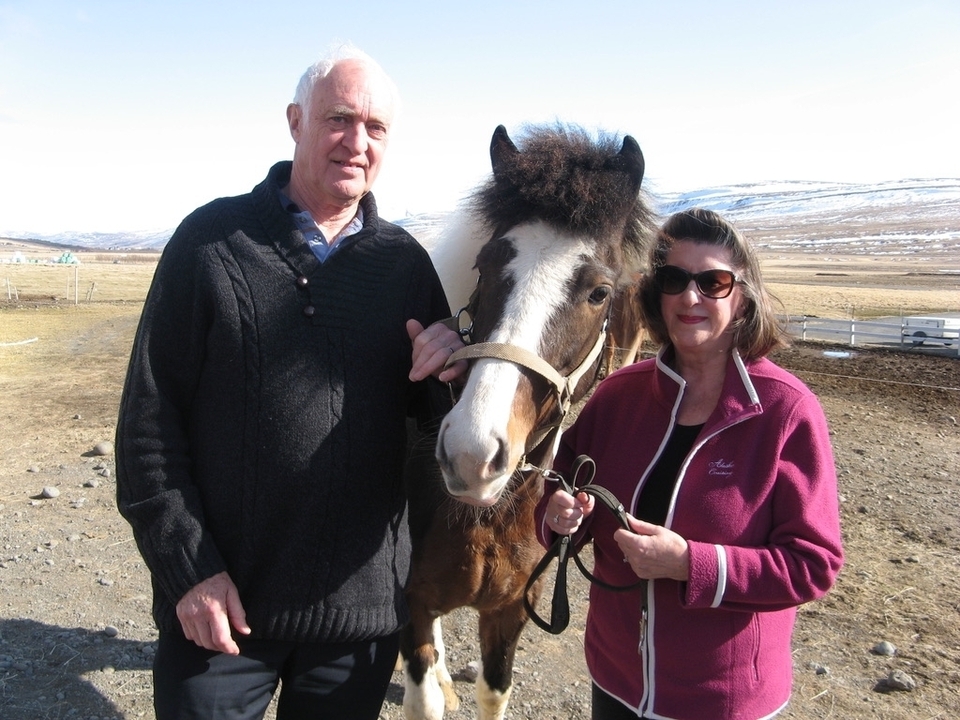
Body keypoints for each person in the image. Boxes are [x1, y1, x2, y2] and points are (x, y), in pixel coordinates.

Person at [115, 44, 456, 719]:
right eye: (339, 119)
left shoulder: (405, 265)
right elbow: (149, 430)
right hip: (220, 614)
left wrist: (449, 378)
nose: (357, 142)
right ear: (295, 120)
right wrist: (190, 573)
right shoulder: (210, 244)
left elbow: (431, 433)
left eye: (377, 128)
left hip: (356, 626)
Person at [536, 208, 844, 720]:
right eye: (674, 279)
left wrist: (690, 564)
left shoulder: (786, 411)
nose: (690, 296)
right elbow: (558, 491)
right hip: (615, 684)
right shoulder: (617, 396)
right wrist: (559, 516)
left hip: (721, 700)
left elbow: (812, 565)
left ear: (743, 297)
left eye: (713, 281)